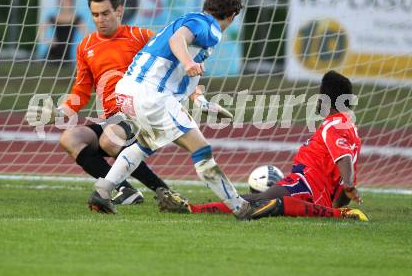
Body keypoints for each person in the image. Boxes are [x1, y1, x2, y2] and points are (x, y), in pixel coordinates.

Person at [87, 0, 267, 219]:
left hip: (127, 92)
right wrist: (188, 63)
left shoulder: (193, 21)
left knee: (143, 145)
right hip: (151, 95)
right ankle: (241, 208)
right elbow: (178, 40)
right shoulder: (208, 27)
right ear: (232, 16)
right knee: (201, 149)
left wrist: (202, 103)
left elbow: (187, 73)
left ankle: (102, 191)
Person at [156, 71, 369, 221]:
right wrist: (333, 205)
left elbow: (344, 159)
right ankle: (195, 207)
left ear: (325, 99)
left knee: (257, 200)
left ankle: (191, 209)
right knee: (258, 200)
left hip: (305, 186)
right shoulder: (350, 128)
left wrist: (348, 185)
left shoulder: (334, 125)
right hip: (309, 188)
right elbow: (341, 184)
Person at [28, 0, 174, 204]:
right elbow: (81, 91)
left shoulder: (141, 36)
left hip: (140, 116)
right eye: (95, 15)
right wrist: (58, 113)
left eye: (105, 13)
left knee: (109, 139)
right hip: (113, 120)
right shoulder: (86, 46)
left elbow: (173, 55)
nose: (100, 19)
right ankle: (126, 190)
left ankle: (163, 190)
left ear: (119, 11)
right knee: (70, 138)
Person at [38, 0, 87, 65]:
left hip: (66, 58)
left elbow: (86, 36)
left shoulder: (77, 18)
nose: (64, 1)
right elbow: (40, 31)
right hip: (50, 56)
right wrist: (47, 40)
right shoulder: (53, 17)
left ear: (71, 0)